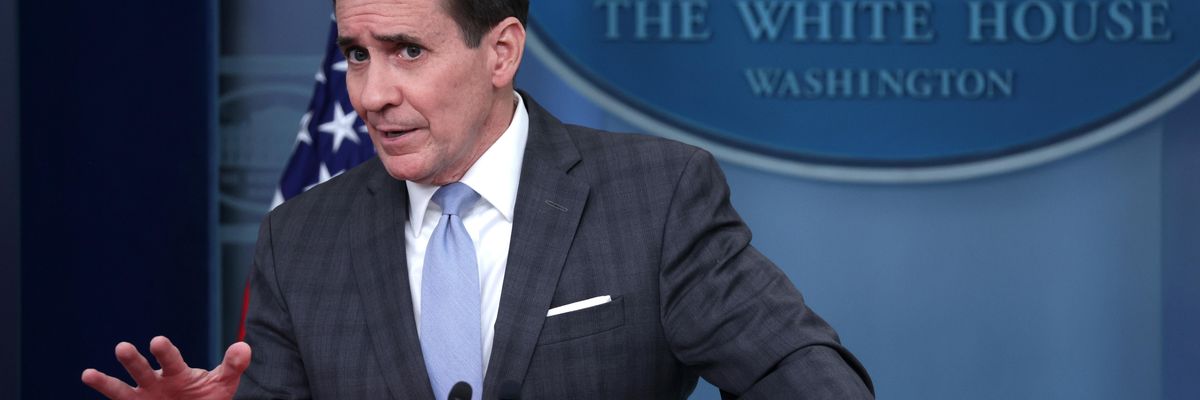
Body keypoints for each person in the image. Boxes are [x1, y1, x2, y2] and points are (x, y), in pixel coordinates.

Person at [82, 0, 875, 398]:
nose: (372, 93)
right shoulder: (302, 237)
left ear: (500, 52)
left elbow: (809, 379)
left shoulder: (655, 196)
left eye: (407, 52)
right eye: (357, 54)